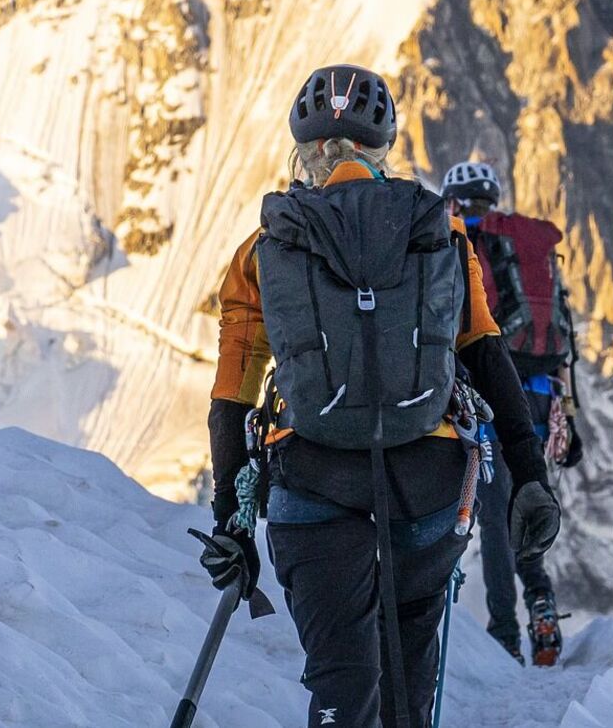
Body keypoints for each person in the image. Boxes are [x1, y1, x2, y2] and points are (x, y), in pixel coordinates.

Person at [197, 66, 561, 728]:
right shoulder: (439, 230)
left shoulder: (263, 247)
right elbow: (485, 351)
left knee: (343, 688)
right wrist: (530, 475)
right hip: (428, 489)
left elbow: (233, 397)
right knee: (408, 692)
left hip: (312, 490)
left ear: (305, 150)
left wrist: (230, 517)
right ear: (383, 145)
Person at [438, 160, 583, 666]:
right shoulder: (530, 247)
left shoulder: (464, 243)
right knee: (529, 495)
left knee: (498, 516)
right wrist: (570, 412)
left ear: (455, 200)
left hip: (497, 395)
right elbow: (563, 341)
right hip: (544, 396)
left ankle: (503, 634)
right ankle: (540, 602)